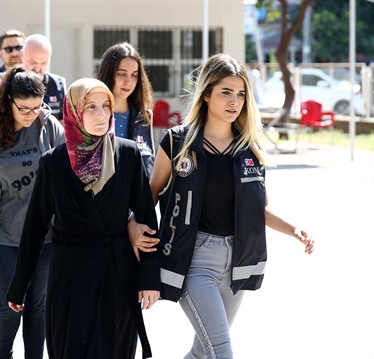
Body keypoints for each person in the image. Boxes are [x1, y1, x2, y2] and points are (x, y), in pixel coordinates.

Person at [130, 53, 315, 359]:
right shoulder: (178, 143)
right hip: (193, 260)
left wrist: (294, 229)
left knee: (204, 351)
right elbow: (150, 194)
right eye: (226, 92)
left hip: (238, 261)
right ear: (206, 95)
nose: (235, 101)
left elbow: (258, 208)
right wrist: (134, 227)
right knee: (221, 352)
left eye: (241, 94)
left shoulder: (249, 148)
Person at [7, 78, 161, 359]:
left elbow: (146, 218)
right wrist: (19, 287)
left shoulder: (127, 154)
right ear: (74, 111)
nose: (101, 115)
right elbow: (35, 228)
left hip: (117, 275)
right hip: (70, 276)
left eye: (106, 106)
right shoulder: (53, 162)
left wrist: (149, 277)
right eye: (90, 107)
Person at [0, 68, 64, 358]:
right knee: (10, 302)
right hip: (2, 234)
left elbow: (64, 179)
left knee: (38, 303)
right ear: (7, 101)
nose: (31, 113)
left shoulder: (49, 126)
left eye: (37, 106)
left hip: (44, 236)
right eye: (24, 108)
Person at [96, 42, 155, 177]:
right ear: (108, 73)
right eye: (122, 74)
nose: (128, 81)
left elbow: (149, 166)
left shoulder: (145, 117)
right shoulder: (91, 115)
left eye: (134, 75)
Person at [21, 34, 65, 120]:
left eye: (43, 63)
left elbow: (64, 123)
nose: (37, 68)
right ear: (22, 55)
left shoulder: (59, 85)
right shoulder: (8, 83)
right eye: (32, 62)